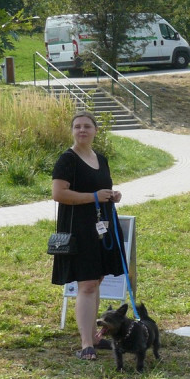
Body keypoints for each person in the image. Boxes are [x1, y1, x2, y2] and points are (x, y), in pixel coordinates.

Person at [51, 112, 124, 360]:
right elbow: (59, 194)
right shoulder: (67, 160)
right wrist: (93, 197)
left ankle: (94, 336)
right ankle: (86, 345)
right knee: (87, 284)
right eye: (77, 126)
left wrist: (112, 195)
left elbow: (102, 188)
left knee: (97, 280)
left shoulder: (100, 159)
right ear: (72, 131)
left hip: (101, 225)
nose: (82, 130)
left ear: (95, 130)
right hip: (78, 227)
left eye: (87, 126)